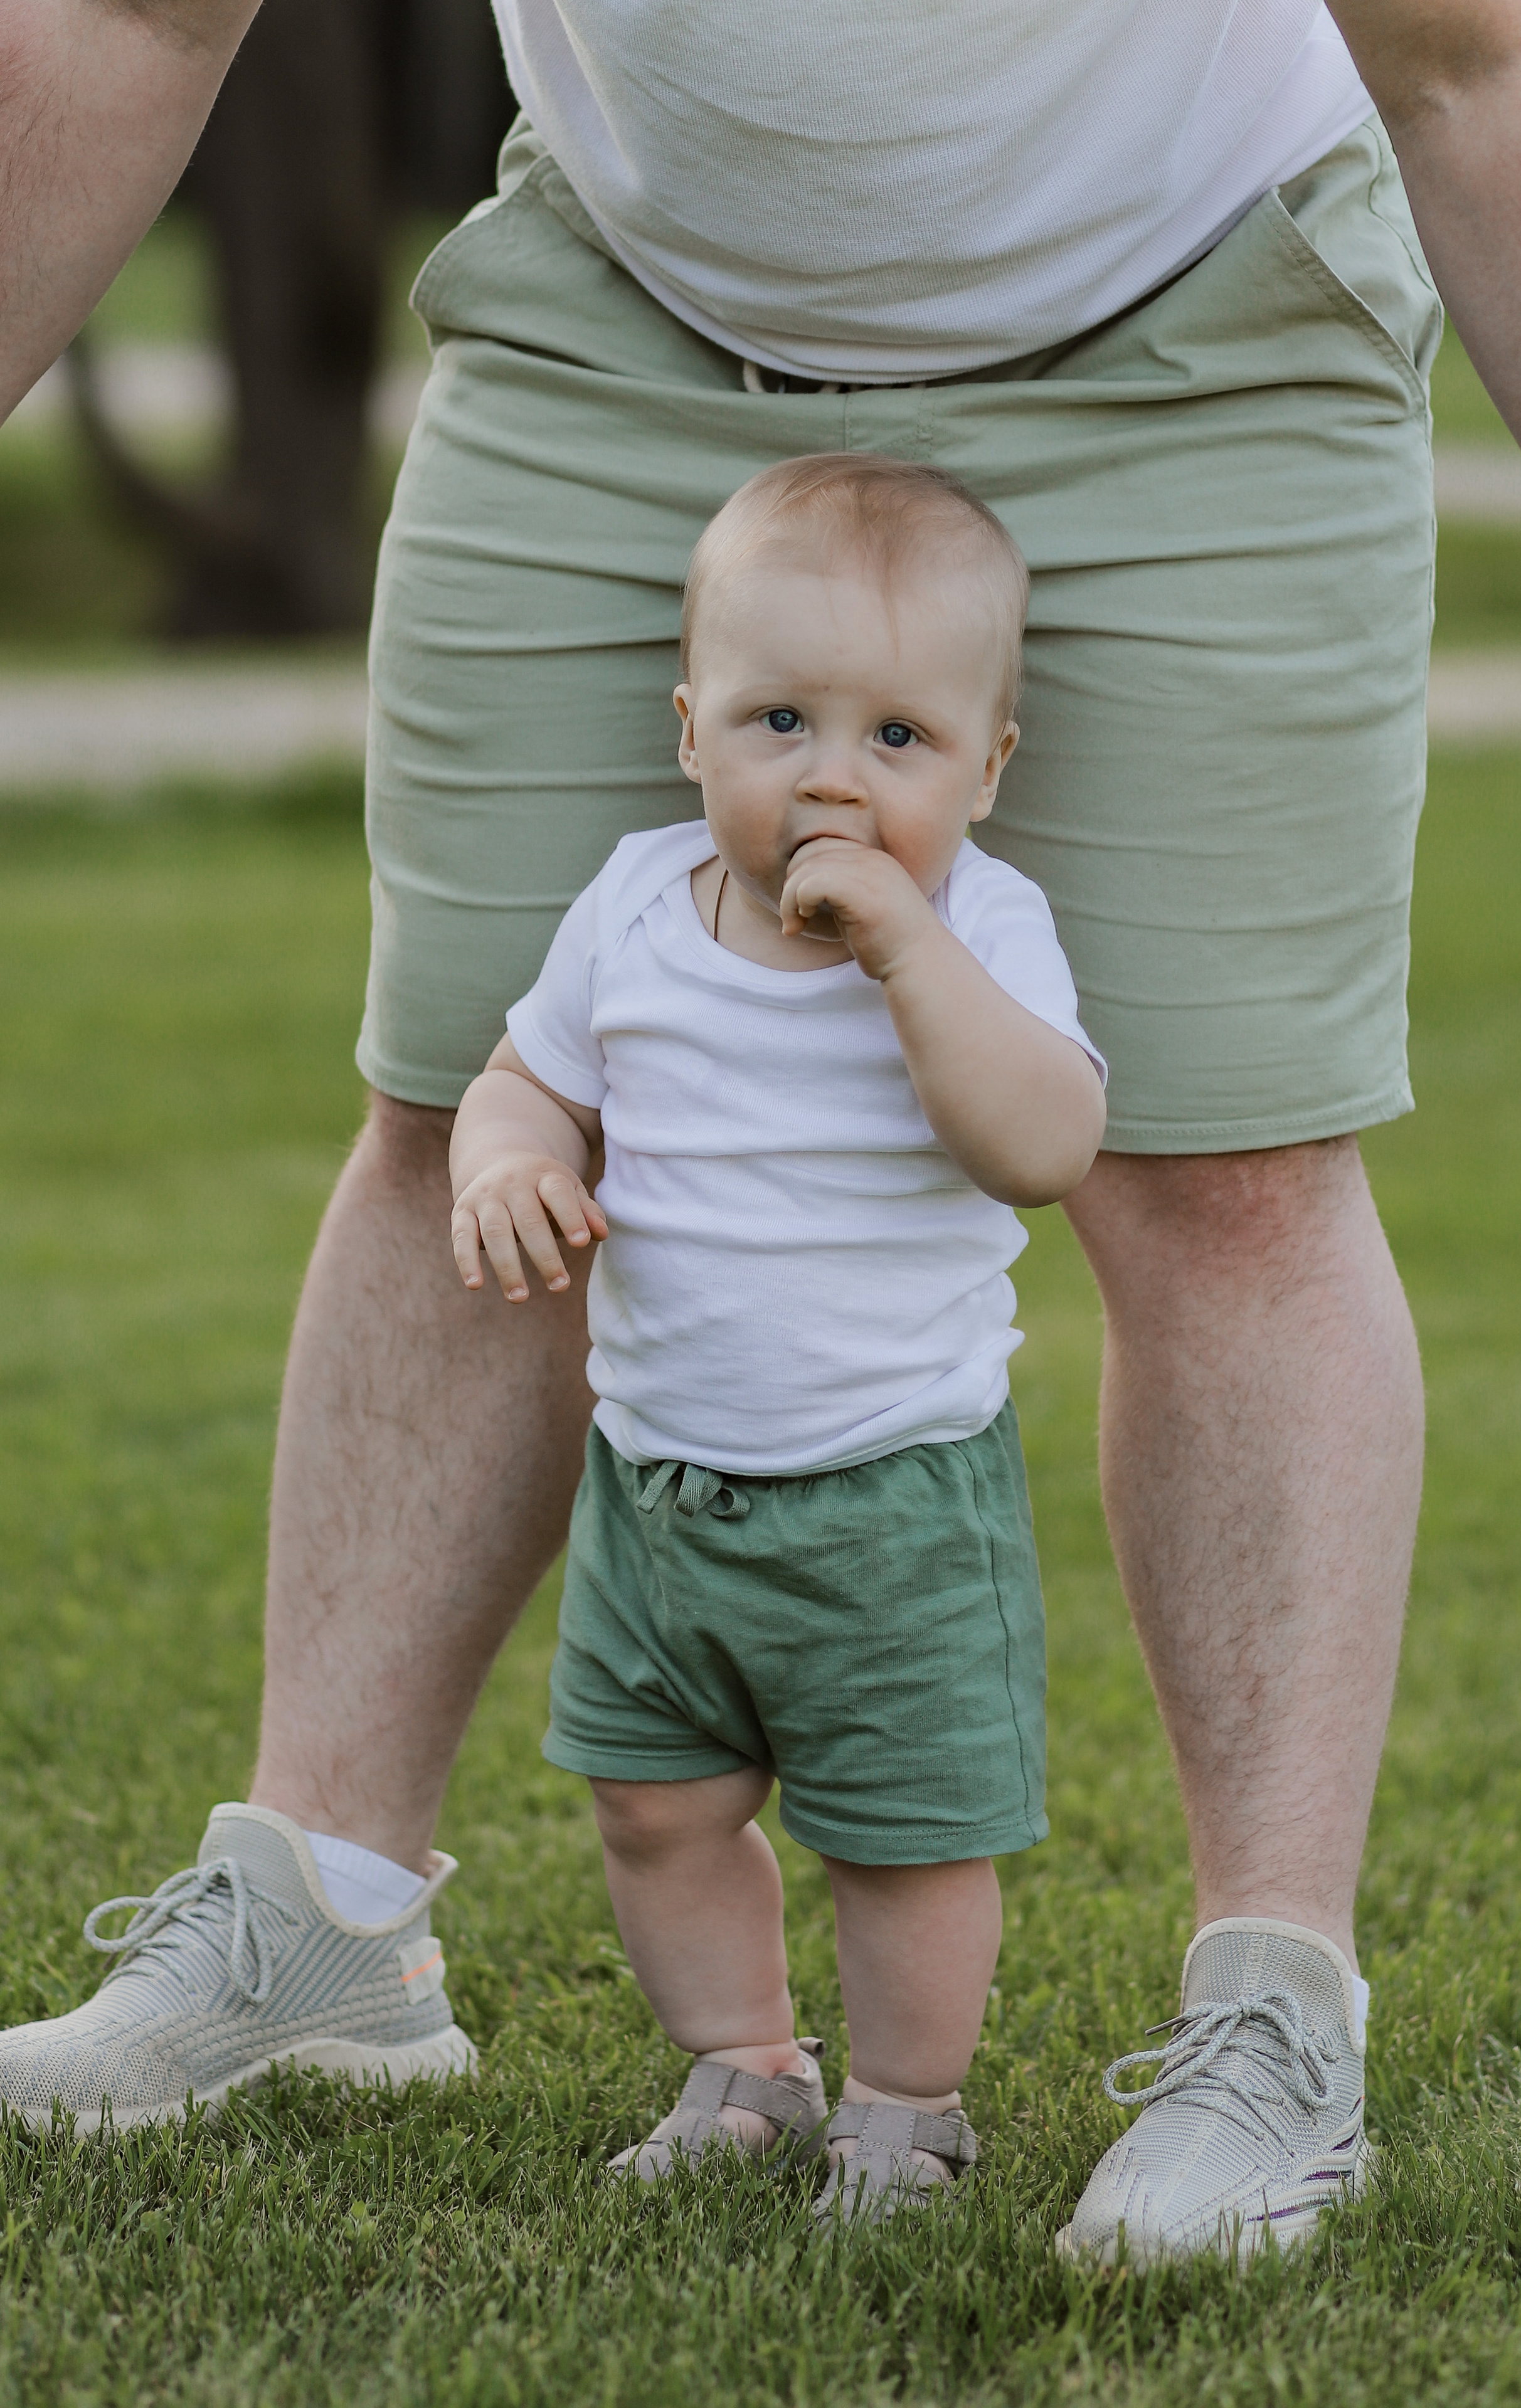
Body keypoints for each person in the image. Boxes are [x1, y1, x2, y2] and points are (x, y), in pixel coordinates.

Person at [1, 0, 1521, 2264]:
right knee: (469, 1104)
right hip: (637, 316)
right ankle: (318, 1922)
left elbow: (1500, 62)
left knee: (1234, 1169)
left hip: (1198, 319)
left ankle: (1275, 2022)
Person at [447, 454, 1107, 2222]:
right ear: (690, 734)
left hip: (891, 1495)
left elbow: (1043, 1149)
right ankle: (746, 2063)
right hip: (660, 1489)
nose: (831, 771)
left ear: (987, 768)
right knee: (654, 1806)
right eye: (779, 718)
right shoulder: (638, 908)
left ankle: (908, 2106)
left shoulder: (983, 930)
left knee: (905, 1840)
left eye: (900, 738)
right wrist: (511, 1157)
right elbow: (526, 1077)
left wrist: (907, 952)